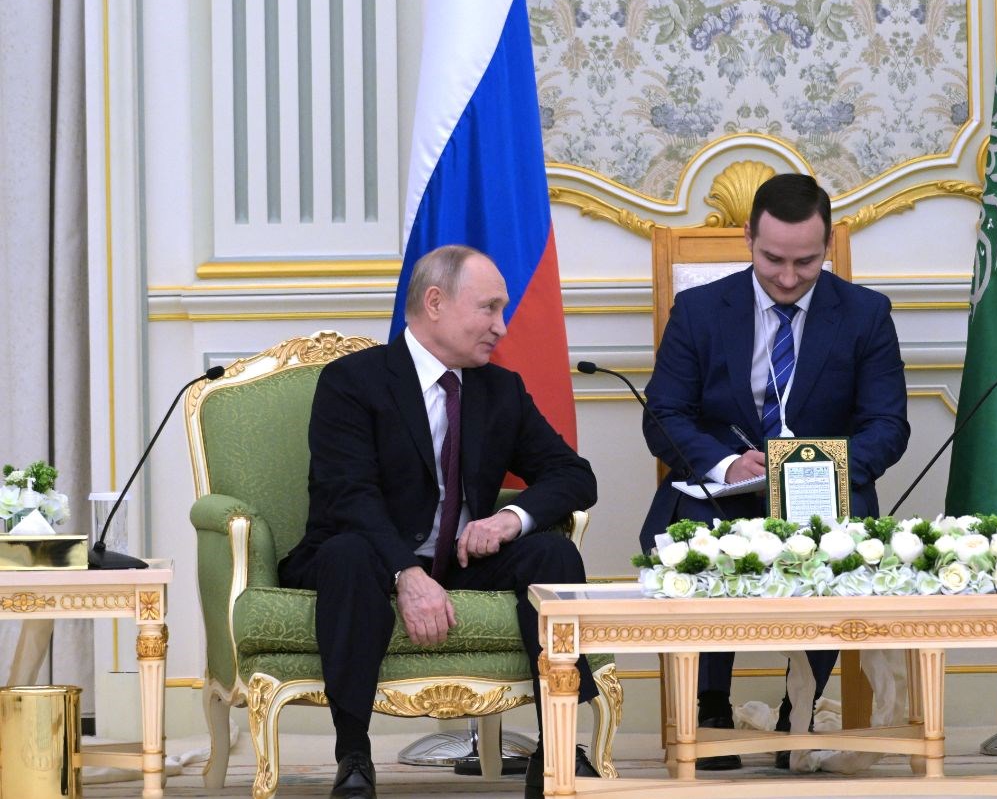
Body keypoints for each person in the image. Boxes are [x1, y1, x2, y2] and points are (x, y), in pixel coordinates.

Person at [279, 245, 600, 799]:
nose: (501, 327)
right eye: (489, 308)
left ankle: (556, 747)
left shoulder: (500, 389)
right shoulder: (353, 381)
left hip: (463, 557)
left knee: (554, 553)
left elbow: (574, 475)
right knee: (348, 554)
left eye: (502, 310)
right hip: (369, 555)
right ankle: (353, 754)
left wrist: (509, 519)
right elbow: (348, 495)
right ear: (435, 303)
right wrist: (406, 572)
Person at [640, 173, 911, 769]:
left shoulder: (865, 314)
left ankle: (801, 709)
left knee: (841, 542)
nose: (788, 278)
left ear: (828, 245)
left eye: (806, 262)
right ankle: (710, 707)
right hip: (723, 489)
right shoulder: (700, 311)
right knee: (694, 537)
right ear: (748, 238)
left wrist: (821, 465)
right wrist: (726, 463)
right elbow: (664, 416)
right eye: (773, 260)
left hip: (821, 490)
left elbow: (888, 425)